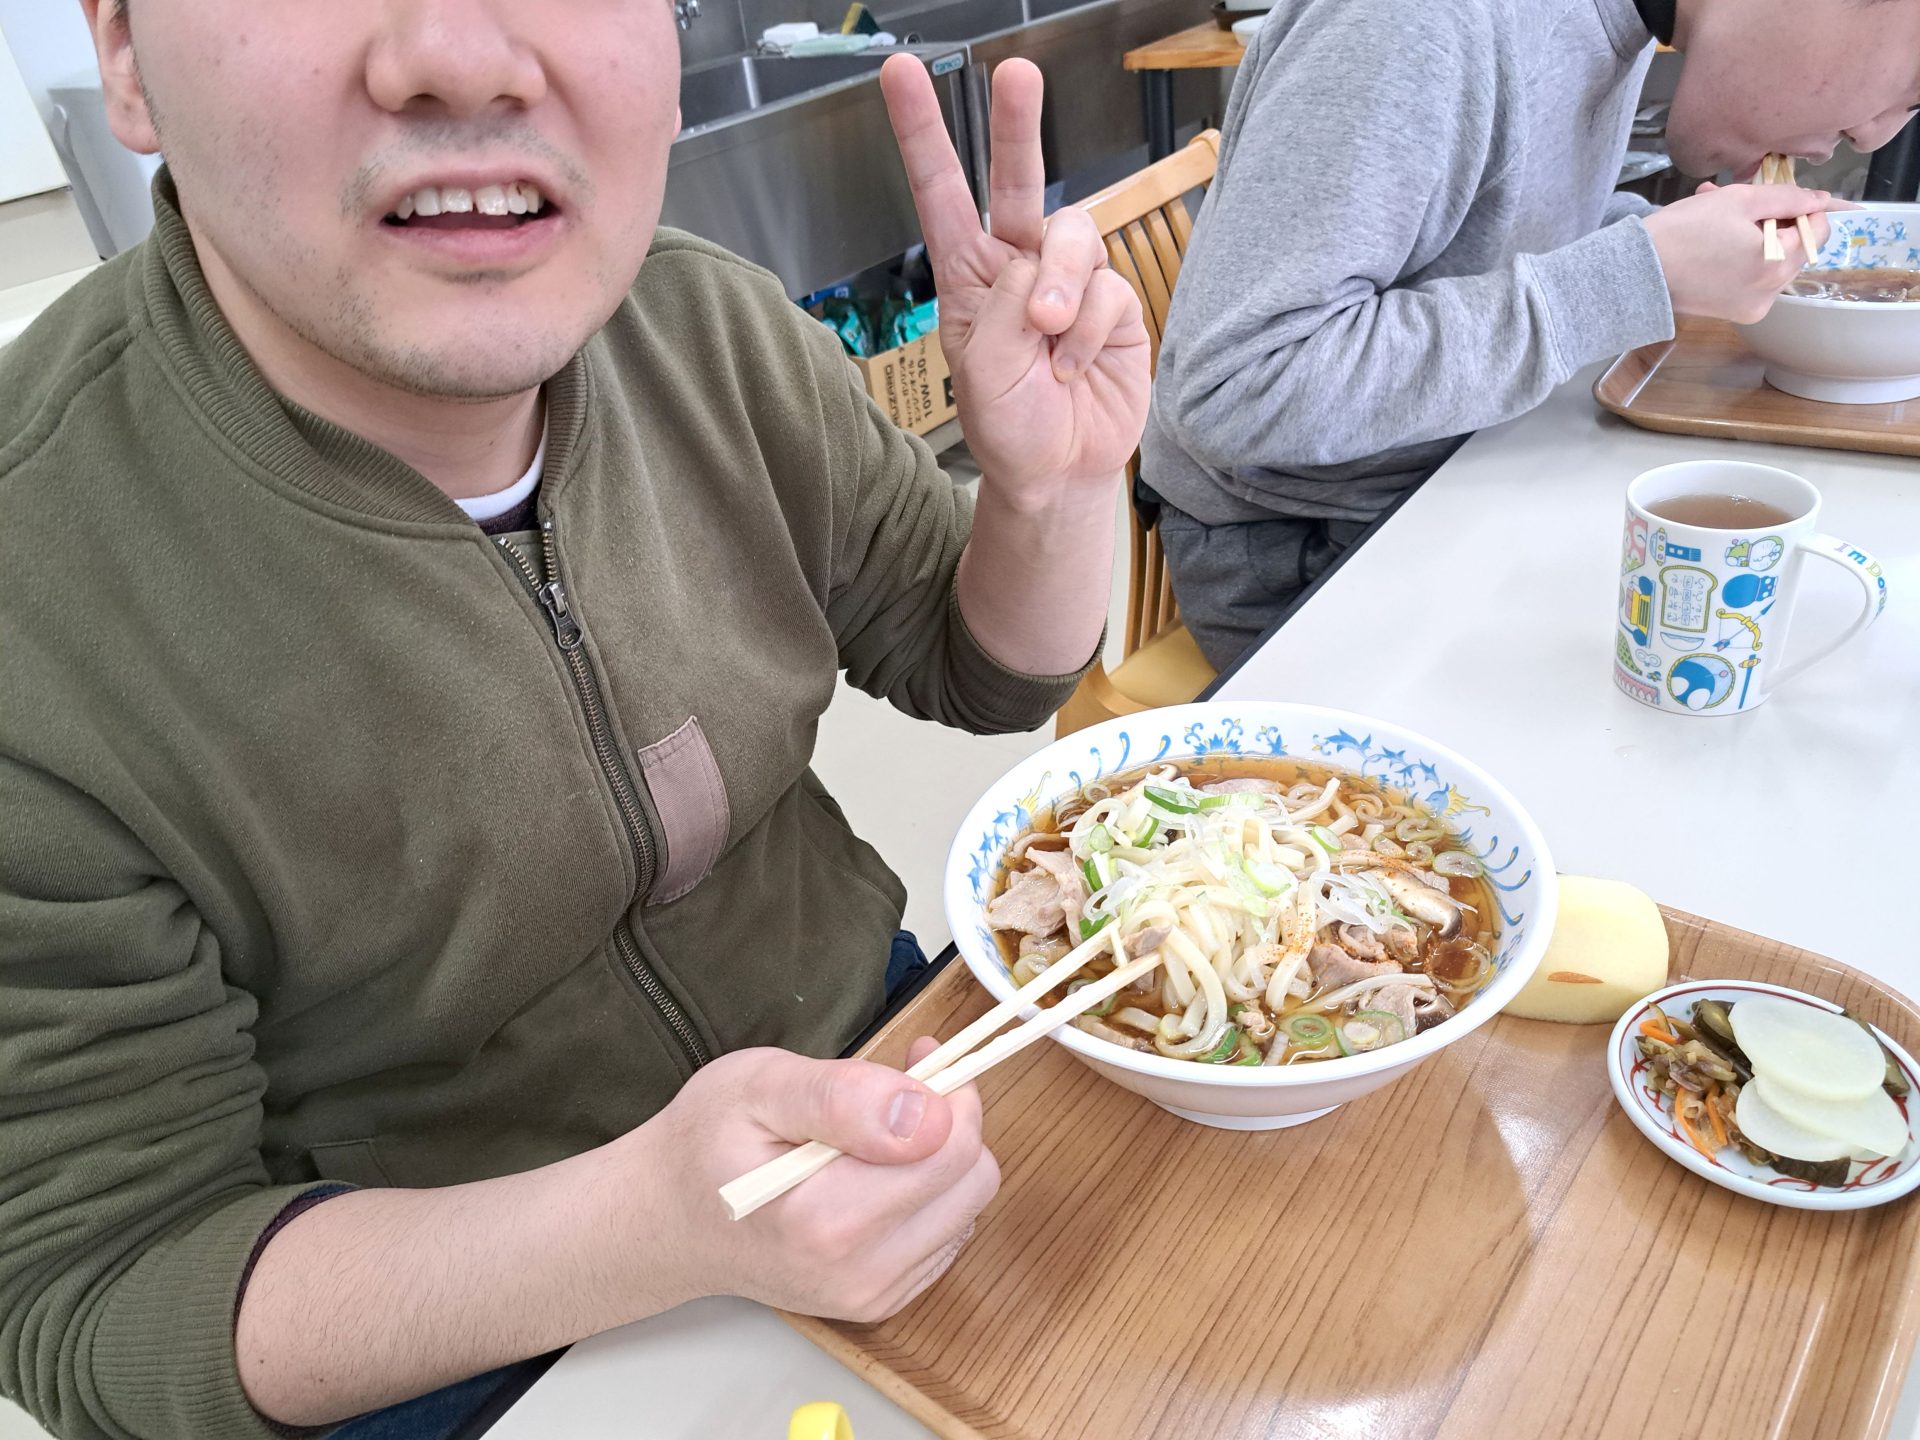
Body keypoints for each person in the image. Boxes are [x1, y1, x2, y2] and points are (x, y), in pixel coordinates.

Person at [0, 0, 1150, 1433]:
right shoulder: (37, 591)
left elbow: (979, 670)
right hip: (456, 1330)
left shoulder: (708, 323)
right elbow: (102, 1283)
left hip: (878, 1056)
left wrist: (1051, 494)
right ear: (124, 53)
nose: (463, 55)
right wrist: (657, 1223)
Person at [1141, 0, 1916, 670]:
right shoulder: (1420, 22)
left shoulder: (1609, 26)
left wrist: (1667, 247)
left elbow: (1492, 237)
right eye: (1913, 86)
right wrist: (1634, 275)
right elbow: (1238, 389)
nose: (1874, 137)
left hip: (1463, 475)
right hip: (1307, 548)